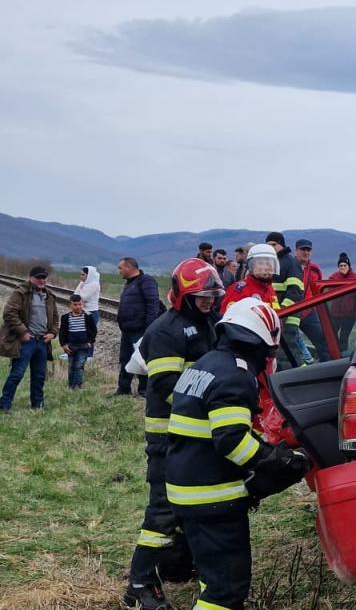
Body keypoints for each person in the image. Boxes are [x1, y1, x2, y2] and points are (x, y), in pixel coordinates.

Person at [165, 298, 310, 610]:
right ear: (258, 341)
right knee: (225, 592)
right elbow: (230, 440)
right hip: (212, 498)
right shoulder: (235, 374)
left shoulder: (204, 365)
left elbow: (219, 427)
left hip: (187, 489)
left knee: (211, 578)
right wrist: (273, 461)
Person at [122, 259, 224, 610]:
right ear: (183, 296)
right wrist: (208, 403)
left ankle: (176, 565)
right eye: (202, 296)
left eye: (212, 295)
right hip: (169, 436)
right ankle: (140, 581)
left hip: (195, 434)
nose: (209, 301)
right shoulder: (168, 329)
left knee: (187, 507)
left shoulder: (207, 322)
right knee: (163, 509)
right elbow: (165, 385)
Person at [0, 266, 58, 412]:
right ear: (30, 278)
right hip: (26, 341)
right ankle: (5, 404)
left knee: (39, 376)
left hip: (43, 342)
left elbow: (56, 318)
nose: (42, 280)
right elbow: (9, 313)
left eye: (44, 278)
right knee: (17, 373)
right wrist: (23, 332)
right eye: (38, 277)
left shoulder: (49, 296)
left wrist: (53, 333)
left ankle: (37, 405)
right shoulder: (21, 293)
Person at [115, 257, 161, 396]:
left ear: (129, 267)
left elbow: (153, 304)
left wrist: (149, 328)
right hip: (128, 330)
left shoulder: (146, 281)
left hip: (140, 329)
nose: (119, 271)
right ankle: (123, 389)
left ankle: (144, 390)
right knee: (125, 359)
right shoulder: (130, 283)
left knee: (142, 360)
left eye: (120, 268)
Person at [265, 232, 306, 369]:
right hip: (275, 317)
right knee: (281, 353)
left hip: (288, 317)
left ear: (282, 245)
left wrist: (282, 313)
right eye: (268, 245)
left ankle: (301, 379)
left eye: (274, 245)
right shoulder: (272, 263)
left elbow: (295, 292)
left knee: (289, 352)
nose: (271, 248)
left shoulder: (290, 262)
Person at [294, 238, 330, 363]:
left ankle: (328, 369)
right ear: (296, 251)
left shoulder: (315, 269)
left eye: (308, 250)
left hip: (308, 311)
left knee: (323, 341)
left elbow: (317, 289)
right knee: (288, 344)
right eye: (303, 249)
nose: (306, 252)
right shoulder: (289, 266)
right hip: (291, 312)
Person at [220, 244, 279, 313]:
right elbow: (227, 320)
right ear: (251, 266)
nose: (266, 267)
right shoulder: (238, 291)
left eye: (270, 264)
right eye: (261, 263)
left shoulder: (269, 288)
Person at [58, 294, 97, 390]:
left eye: (80, 304)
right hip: (71, 346)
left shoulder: (88, 316)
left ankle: (78, 385)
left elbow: (94, 330)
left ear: (83, 304)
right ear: (70, 305)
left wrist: (90, 342)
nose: (78, 306)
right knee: (71, 365)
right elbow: (62, 332)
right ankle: (71, 385)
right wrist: (63, 344)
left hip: (84, 345)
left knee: (79, 366)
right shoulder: (66, 317)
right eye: (75, 304)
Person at [327, 253, 356, 353]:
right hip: (336, 314)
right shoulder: (333, 277)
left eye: (344, 265)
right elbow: (328, 292)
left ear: (349, 266)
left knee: (344, 337)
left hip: (349, 314)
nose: (342, 267)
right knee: (332, 335)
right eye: (340, 266)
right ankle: (333, 354)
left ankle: (342, 355)